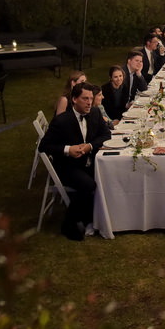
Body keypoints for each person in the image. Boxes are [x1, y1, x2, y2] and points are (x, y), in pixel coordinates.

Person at [39, 83, 111, 240]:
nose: (89, 102)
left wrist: (90, 146)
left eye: (91, 99)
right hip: (67, 166)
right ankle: (69, 223)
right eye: (85, 98)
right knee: (88, 185)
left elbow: (106, 135)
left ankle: (96, 216)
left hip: (88, 160)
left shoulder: (95, 113)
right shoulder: (62, 121)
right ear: (74, 99)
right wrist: (68, 150)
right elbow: (44, 146)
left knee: (108, 175)